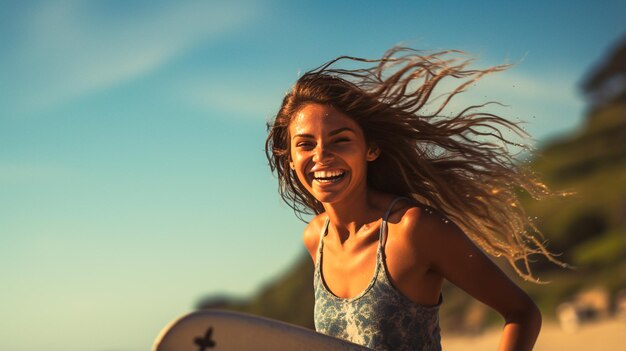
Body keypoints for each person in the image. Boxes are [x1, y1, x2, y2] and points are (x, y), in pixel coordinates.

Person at [265, 47, 564, 351]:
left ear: (371, 149)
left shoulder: (412, 229)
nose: (321, 156)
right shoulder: (316, 237)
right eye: (305, 144)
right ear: (290, 158)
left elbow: (522, 312)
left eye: (340, 140)